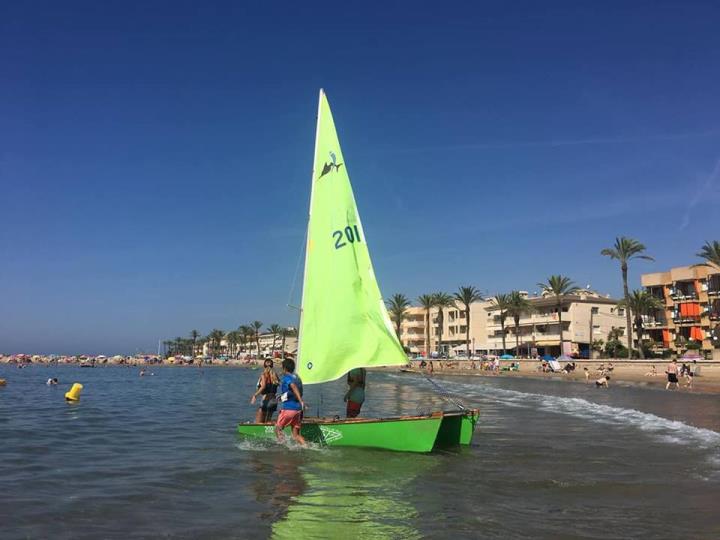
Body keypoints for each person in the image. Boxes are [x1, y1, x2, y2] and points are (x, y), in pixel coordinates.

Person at [275, 358, 306, 446]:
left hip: (289, 409)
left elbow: (293, 387)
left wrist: (301, 401)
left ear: (285, 368)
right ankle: (306, 446)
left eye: (282, 368)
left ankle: (283, 446)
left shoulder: (287, 378)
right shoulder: (297, 377)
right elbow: (296, 391)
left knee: (277, 429)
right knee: (296, 435)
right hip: (298, 410)